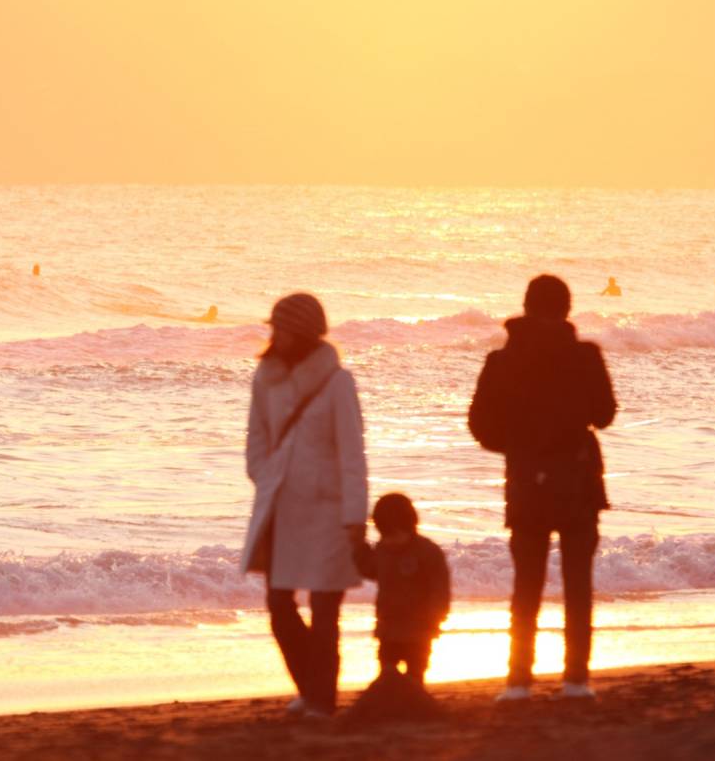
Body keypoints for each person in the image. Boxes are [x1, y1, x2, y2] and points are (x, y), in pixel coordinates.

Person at [468, 275, 617, 702]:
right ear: (567, 310)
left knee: (526, 583)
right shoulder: (586, 356)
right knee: (577, 583)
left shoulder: (501, 361)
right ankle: (576, 681)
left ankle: (517, 682)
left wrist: (517, 447)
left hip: (526, 480)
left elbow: (480, 425)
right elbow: (605, 414)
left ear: (526, 307)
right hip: (578, 479)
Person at [241, 292, 368, 719]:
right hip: (280, 507)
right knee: (279, 603)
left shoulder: (337, 383)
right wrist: (265, 475)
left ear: (304, 332)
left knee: (325, 610)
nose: (275, 336)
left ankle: (322, 700)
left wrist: (355, 517)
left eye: (282, 328)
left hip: (329, 511)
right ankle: (309, 687)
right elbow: (256, 438)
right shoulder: (266, 376)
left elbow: (353, 455)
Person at [359, 493, 450, 685]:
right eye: (384, 535)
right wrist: (358, 547)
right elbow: (369, 569)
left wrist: (435, 618)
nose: (389, 541)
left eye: (393, 535)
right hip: (388, 629)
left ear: (409, 527)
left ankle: (416, 705)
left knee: (415, 677)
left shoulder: (428, 552)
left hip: (419, 631)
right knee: (387, 675)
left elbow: (441, 591)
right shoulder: (382, 550)